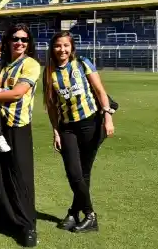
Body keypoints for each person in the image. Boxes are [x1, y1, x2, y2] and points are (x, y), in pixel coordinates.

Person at [0, 24, 41, 248]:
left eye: (24, 39)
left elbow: (17, 93)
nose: (19, 42)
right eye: (15, 38)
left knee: (19, 175)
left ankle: (27, 225)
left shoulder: (30, 64)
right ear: (8, 41)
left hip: (17, 125)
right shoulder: (2, 64)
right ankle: (3, 218)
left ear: (29, 43)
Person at [43, 31, 115, 233]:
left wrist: (108, 117)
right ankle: (89, 214)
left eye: (66, 45)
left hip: (91, 123)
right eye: (58, 45)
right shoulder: (48, 71)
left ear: (71, 47)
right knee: (74, 173)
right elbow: (50, 105)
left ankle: (75, 213)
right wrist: (55, 131)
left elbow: (100, 91)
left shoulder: (83, 63)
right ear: (53, 48)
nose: (62, 49)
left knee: (83, 172)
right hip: (67, 127)